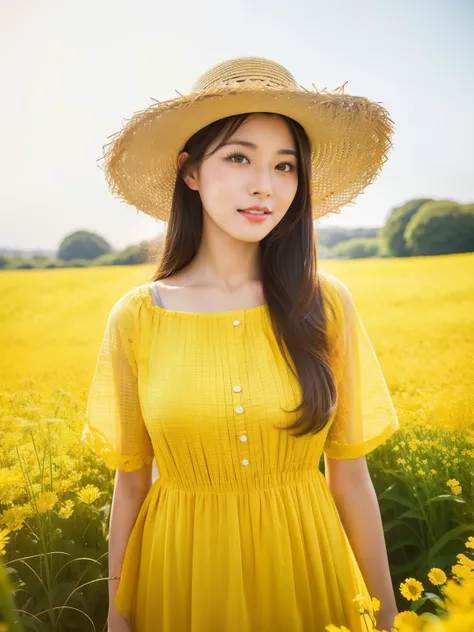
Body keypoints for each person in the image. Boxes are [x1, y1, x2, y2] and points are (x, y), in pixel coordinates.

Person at [81, 56, 401, 632]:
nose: (265, 186)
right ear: (191, 171)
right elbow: (130, 483)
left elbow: (350, 478)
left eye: (285, 166)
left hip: (308, 571)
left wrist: (387, 618)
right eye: (238, 157)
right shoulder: (137, 316)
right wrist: (117, 613)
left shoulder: (325, 304)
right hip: (180, 580)